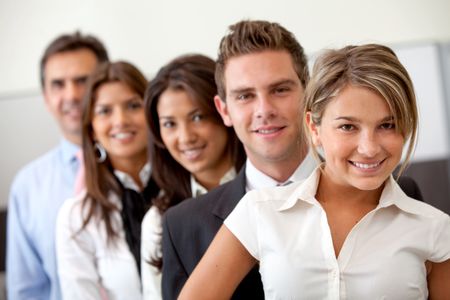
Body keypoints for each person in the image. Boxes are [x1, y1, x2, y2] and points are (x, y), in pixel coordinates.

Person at [161, 20, 424, 299]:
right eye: (245, 96)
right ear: (224, 109)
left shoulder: (397, 193)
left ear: (309, 94)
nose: (264, 110)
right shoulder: (183, 226)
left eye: (280, 90)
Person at [6, 32, 108, 300]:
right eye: (58, 84)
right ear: (46, 97)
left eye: (82, 81)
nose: (72, 94)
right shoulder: (27, 186)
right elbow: (26, 290)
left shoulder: (145, 167)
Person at [140, 54, 245, 299]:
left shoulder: (263, 186)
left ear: (223, 111)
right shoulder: (159, 220)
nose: (185, 137)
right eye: (169, 124)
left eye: (197, 117)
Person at [55, 61, 159, 299]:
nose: (120, 120)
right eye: (105, 111)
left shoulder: (185, 190)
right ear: (91, 129)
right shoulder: (77, 217)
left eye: (133, 105)